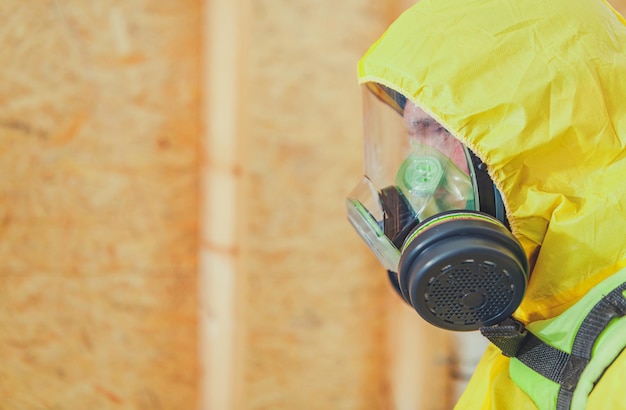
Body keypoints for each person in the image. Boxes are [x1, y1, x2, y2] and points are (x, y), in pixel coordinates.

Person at [346, 0, 626, 408]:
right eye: (412, 136)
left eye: (439, 131)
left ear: (543, 144)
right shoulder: (542, 322)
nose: (416, 173)